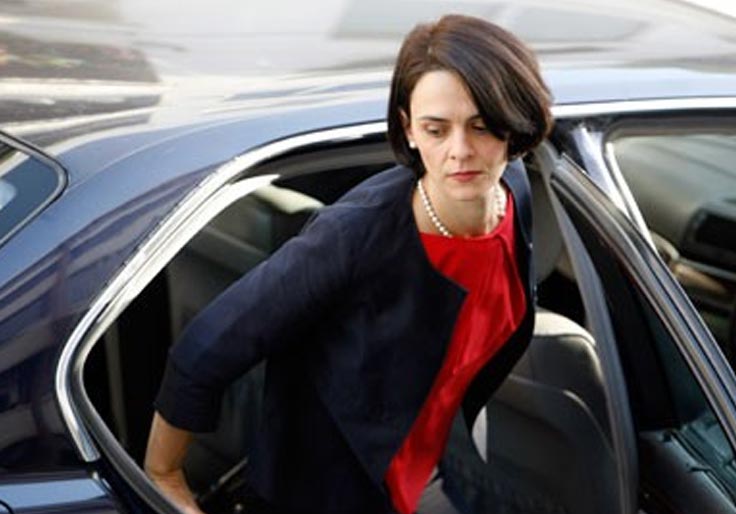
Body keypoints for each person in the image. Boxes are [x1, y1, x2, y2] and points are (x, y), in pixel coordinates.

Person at [145, 13, 552, 514]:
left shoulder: (513, 189)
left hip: (430, 465)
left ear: (513, 124)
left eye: (483, 126)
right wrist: (164, 478)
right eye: (435, 129)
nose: (460, 152)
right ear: (408, 128)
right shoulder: (355, 235)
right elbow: (203, 350)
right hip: (335, 489)